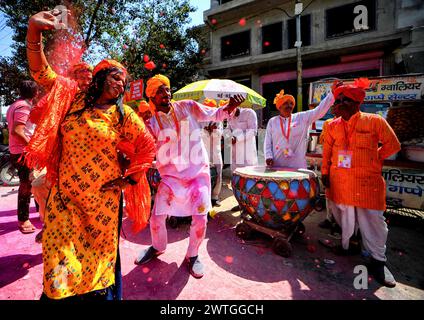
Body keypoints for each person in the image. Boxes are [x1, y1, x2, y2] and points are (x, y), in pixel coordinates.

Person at [25, 9, 156, 300]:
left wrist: (129, 182)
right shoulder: (71, 96)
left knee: (96, 273)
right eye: (115, 77)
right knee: (60, 269)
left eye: (124, 81)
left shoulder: (124, 116)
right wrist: (34, 32)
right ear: (98, 78)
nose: (121, 84)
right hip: (65, 199)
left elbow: (148, 148)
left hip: (102, 206)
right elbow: (40, 72)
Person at [134, 74, 244, 278]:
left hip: (197, 175)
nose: (166, 93)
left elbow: (216, 114)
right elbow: (146, 149)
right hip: (170, 179)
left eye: (167, 89)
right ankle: (157, 247)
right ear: (151, 96)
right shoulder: (150, 123)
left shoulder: (186, 106)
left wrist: (228, 108)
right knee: (157, 218)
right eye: (160, 91)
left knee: (201, 219)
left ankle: (192, 256)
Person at [321, 78, 401, 288]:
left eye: (342, 101)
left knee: (373, 221)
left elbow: (393, 145)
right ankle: (349, 246)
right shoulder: (331, 125)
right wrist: (325, 172)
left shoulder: (374, 121)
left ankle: (378, 262)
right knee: (343, 215)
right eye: (336, 101)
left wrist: (375, 157)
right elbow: (327, 152)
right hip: (340, 182)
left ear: (356, 103)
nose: (337, 105)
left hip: (367, 183)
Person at [29, 61, 93, 243]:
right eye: (80, 79)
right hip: (59, 158)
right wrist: (54, 106)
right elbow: (34, 116)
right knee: (39, 185)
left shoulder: (98, 101)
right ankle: (48, 223)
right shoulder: (60, 95)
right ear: (72, 80)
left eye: (88, 80)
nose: (85, 84)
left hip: (87, 162)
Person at [264, 89, 334, 169]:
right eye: (286, 103)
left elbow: (319, 111)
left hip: (297, 166)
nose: (289, 106)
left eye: (291, 104)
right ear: (279, 107)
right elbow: (268, 142)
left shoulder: (301, 117)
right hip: (277, 165)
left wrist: (331, 95)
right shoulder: (273, 121)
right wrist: (268, 156)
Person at [6, 80, 39, 234]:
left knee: (31, 184)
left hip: (18, 151)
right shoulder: (24, 106)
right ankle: (23, 219)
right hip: (23, 152)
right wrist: (32, 147)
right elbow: (17, 131)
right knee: (27, 186)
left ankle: (37, 215)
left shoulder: (14, 105)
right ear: (35, 93)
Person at [227, 107, 258, 211]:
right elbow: (228, 129)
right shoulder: (229, 115)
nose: (229, 115)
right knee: (236, 181)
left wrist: (237, 138)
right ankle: (240, 204)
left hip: (247, 155)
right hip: (235, 154)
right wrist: (227, 136)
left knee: (249, 182)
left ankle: (250, 207)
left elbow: (253, 131)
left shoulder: (249, 113)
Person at [200, 98, 224, 207]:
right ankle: (204, 196)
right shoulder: (200, 119)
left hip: (215, 151)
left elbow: (219, 135)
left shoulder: (219, 120)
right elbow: (198, 133)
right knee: (204, 173)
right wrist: (205, 130)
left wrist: (213, 130)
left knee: (218, 173)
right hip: (203, 151)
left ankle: (215, 196)